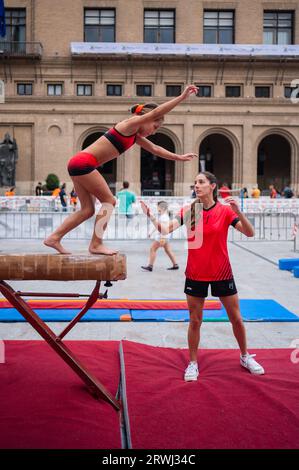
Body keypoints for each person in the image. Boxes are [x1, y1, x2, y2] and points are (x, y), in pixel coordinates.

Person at [44, 84, 198, 255]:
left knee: (87, 210)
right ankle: (96, 244)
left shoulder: (134, 136)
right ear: (146, 118)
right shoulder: (129, 124)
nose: (154, 132)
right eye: (155, 127)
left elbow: (155, 149)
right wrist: (182, 97)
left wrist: (179, 157)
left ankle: (54, 238)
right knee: (109, 201)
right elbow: (156, 112)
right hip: (84, 163)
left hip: (78, 163)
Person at [141, 171, 264, 381]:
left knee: (236, 318)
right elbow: (165, 229)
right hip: (196, 273)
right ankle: (193, 363)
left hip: (222, 271)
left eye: (201, 182)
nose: (196, 186)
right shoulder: (190, 210)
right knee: (195, 320)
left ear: (212, 186)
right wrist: (150, 215)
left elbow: (250, 233)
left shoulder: (225, 211)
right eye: (195, 182)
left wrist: (239, 212)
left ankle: (245, 356)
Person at [141, 201, 179, 272]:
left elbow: (162, 228)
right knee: (168, 250)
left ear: (161, 207)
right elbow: (158, 226)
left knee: (153, 249)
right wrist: (151, 233)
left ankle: (150, 266)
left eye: (157, 206)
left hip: (162, 237)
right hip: (165, 237)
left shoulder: (164, 217)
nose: (157, 208)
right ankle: (175, 264)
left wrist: (160, 237)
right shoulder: (164, 216)